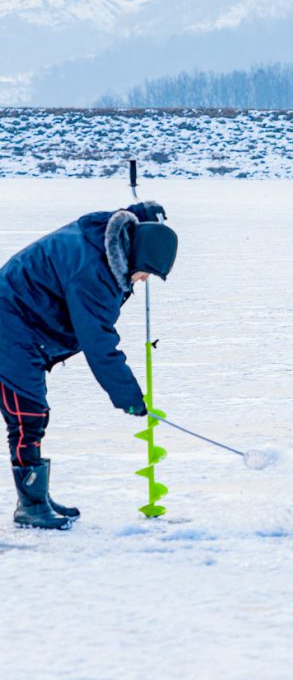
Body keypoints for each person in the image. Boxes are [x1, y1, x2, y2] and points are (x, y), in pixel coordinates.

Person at [0, 202, 178, 530]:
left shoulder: (106, 237)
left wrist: (144, 212)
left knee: (32, 415)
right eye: (147, 272)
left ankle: (37, 498)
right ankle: (31, 506)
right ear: (138, 258)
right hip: (11, 327)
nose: (142, 281)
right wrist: (129, 398)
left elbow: (130, 222)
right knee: (28, 416)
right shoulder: (94, 274)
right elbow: (98, 343)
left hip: (24, 323)